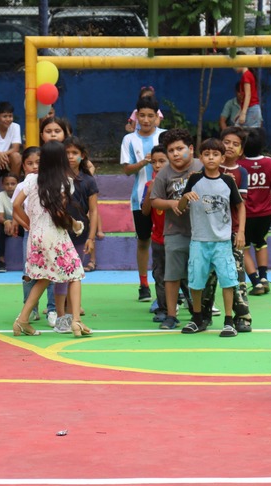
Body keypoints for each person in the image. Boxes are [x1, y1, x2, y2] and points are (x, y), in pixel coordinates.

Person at [12, 140, 90, 338]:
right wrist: (74, 224)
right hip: (55, 235)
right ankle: (76, 321)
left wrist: (29, 224)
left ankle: (22, 321)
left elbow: (16, 206)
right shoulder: (66, 183)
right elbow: (59, 215)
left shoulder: (31, 180)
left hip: (36, 236)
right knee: (75, 274)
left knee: (44, 277)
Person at [177, 138, 245, 337]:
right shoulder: (194, 180)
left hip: (222, 242)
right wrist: (184, 198)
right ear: (200, 157)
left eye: (215, 154)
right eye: (206, 154)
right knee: (196, 281)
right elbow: (181, 208)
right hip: (199, 240)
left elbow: (240, 206)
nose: (211, 158)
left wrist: (240, 232)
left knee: (228, 280)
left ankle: (228, 320)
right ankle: (197, 317)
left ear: (222, 157)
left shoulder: (228, 180)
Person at [150, 128, 203, 330]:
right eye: (171, 150)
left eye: (180, 148)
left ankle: (199, 313)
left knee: (199, 274)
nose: (175, 153)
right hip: (174, 231)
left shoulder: (201, 167)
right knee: (172, 275)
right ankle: (171, 315)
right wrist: (172, 204)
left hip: (202, 232)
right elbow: (154, 200)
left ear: (190, 149)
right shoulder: (164, 174)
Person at [48, 135, 99, 333]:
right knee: (60, 276)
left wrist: (91, 238)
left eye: (74, 153)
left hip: (79, 234)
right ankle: (60, 316)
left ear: (82, 155)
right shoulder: (56, 179)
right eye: (66, 153)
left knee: (74, 275)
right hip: (59, 233)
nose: (70, 156)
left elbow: (93, 211)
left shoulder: (88, 181)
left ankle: (72, 314)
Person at [121, 95, 166, 303]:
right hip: (140, 199)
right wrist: (143, 163)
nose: (146, 120)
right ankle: (143, 284)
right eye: (142, 116)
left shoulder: (165, 137)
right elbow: (127, 170)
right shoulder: (129, 140)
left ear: (157, 117)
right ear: (136, 116)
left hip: (167, 200)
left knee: (169, 242)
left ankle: (172, 283)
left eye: (150, 116)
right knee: (143, 241)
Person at [14, 146, 57, 325]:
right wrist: (27, 224)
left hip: (50, 234)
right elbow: (15, 208)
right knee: (28, 272)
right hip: (30, 236)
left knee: (52, 272)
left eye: (38, 163)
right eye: (29, 163)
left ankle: (53, 309)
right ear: (23, 166)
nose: (34, 166)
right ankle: (30, 308)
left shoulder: (52, 183)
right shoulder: (22, 186)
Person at [219, 126, 252, 332]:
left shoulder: (241, 173)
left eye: (235, 144)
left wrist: (240, 232)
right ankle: (202, 314)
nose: (230, 147)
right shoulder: (206, 168)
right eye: (226, 142)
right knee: (207, 276)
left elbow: (241, 206)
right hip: (209, 234)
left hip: (232, 232)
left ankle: (243, 315)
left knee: (237, 274)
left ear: (241, 151)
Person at [238, 128, 271, 296]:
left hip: (245, 214)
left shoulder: (240, 165)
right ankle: (263, 277)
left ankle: (255, 282)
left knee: (244, 248)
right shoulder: (270, 162)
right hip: (265, 213)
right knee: (261, 243)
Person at [141, 144, 170, 322]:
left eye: (162, 161)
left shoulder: (176, 183)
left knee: (184, 275)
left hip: (178, 237)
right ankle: (163, 307)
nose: (157, 165)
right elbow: (145, 211)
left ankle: (194, 306)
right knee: (159, 274)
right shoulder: (148, 185)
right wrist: (150, 193)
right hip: (158, 237)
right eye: (154, 162)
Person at [0, 172, 22, 273]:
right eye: (7, 184)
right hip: (8, 225)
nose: (10, 186)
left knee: (30, 230)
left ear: (17, 184)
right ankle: (1, 262)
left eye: (13, 184)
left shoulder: (22, 194)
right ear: (3, 185)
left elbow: (25, 214)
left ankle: (31, 260)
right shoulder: (0, 196)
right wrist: (6, 222)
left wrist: (16, 223)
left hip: (21, 223)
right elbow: (0, 217)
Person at [234, 62, 262, 128]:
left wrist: (243, 113)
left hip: (251, 109)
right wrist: (240, 112)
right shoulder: (248, 74)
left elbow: (248, 95)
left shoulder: (246, 75)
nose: (233, 67)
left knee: (238, 131)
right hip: (252, 108)